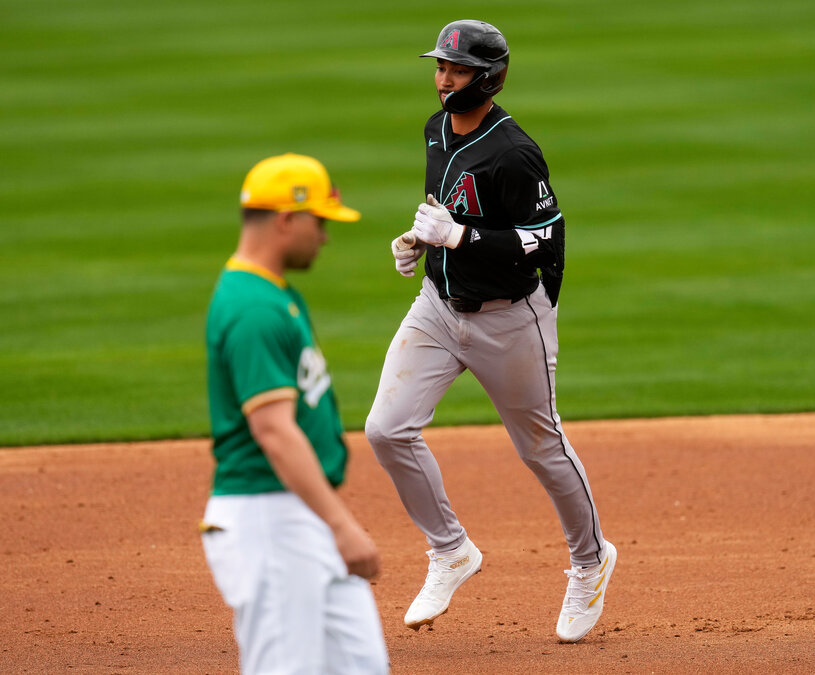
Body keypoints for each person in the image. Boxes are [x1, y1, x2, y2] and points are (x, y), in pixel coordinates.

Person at [364, 20, 616, 643]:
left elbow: (546, 238)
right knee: (386, 429)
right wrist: (419, 241)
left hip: (509, 319)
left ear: (488, 77)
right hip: (438, 308)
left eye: (455, 70)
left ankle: (590, 561)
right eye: (440, 67)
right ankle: (450, 550)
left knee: (540, 447)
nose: (442, 79)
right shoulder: (434, 130)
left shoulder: (513, 152)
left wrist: (464, 239)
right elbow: (445, 211)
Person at [201, 153, 389, 674]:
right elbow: (274, 432)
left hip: (299, 516)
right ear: (287, 219)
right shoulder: (254, 309)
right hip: (268, 518)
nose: (325, 237)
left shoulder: (275, 296)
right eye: (320, 223)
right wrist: (342, 524)